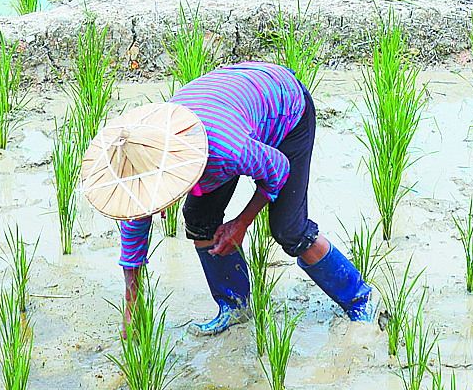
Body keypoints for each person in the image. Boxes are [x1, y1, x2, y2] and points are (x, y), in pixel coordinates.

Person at [79, 61, 373, 331]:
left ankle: (359, 300)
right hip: (227, 103)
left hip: (283, 105)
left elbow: (278, 170)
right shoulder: (141, 163)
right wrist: (132, 305)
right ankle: (235, 306)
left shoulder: (225, 150)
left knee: (288, 229)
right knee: (199, 218)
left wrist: (241, 223)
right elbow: (134, 236)